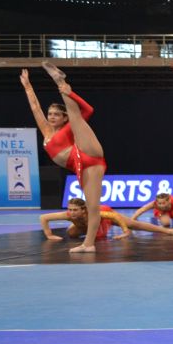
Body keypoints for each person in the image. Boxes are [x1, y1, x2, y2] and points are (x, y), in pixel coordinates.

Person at [21, 63, 108, 253]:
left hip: (86, 151)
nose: (51, 117)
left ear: (63, 118)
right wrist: (27, 86)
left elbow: (88, 111)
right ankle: (89, 244)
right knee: (93, 206)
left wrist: (70, 94)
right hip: (83, 167)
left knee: (77, 117)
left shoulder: (68, 127)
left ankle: (61, 82)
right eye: (50, 114)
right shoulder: (46, 131)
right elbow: (35, 108)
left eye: (56, 114)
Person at [40, 198, 173, 241]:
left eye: (75, 210)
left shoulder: (95, 213)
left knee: (134, 224)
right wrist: (49, 235)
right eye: (70, 209)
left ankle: (168, 231)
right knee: (71, 234)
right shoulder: (68, 215)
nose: (71, 213)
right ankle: (91, 229)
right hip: (88, 223)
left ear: (83, 210)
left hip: (106, 214)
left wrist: (125, 231)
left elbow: (115, 216)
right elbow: (44, 217)